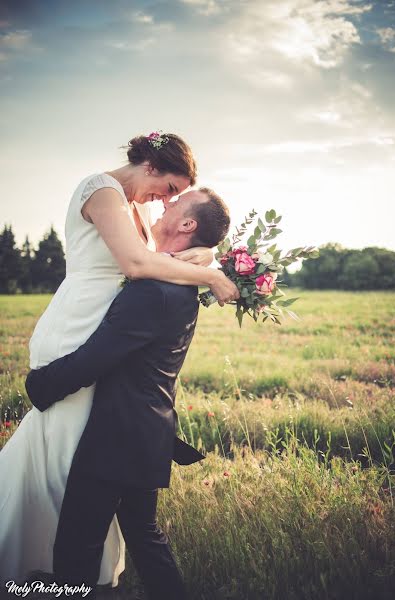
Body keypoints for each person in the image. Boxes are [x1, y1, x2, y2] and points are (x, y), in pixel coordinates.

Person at [0, 132, 238, 587]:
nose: (166, 202)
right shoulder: (102, 191)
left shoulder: (144, 209)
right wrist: (207, 273)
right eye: (169, 189)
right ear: (150, 166)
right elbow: (135, 263)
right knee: (61, 455)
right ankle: (47, 561)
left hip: (113, 334)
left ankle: (64, 567)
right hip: (78, 328)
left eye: (174, 198)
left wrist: (206, 255)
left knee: (83, 456)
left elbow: (166, 254)